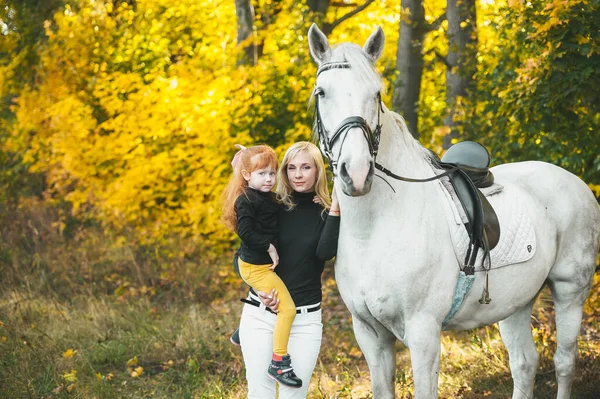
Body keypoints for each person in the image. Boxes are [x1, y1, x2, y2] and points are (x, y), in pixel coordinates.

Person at [234, 141, 340, 399]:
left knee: (294, 394)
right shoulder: (272, 205)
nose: (298, 174)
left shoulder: (328, 212)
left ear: (318, 171)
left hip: (305, 319)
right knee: (261, 394)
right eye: (291, 167)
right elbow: (242, 254)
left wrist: (336, 206)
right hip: (261, 314)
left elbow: (325, 253)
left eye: (306, 167)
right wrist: (259, 289)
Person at [222, 144, 302, 388]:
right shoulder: (245, 201)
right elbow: (244, 231)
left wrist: (248, 160)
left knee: (273, 298)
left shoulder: (264, 195)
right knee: (287, 310)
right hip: (255, 267)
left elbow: (279, 209)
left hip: (260, 265)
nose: (268, 179)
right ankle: (278, 361)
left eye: (271, 173)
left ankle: (241, 332)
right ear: (247, 176)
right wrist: (268, 246)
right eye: (261, 174)